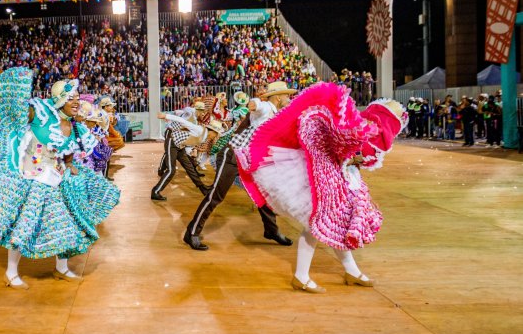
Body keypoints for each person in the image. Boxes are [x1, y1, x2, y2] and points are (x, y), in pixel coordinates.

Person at [0, 68, 120, 290]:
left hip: (56, 180)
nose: (76, 102)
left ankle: (61, 268)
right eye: (71, 98)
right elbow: (15, 114)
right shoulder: (41, 112)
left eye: (77, 98)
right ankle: (11, 272)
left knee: (64, 224)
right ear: (60, 99)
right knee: (24, 225)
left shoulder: (74, 127)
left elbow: (69, 150)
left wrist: (70, 165)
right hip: (31, 179)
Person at [240, 86, 406, 293]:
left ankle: (351, 271)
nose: (287, 97)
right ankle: (301, 276)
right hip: (322, 176)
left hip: (339, 178)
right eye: (283, 94)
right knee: (317, 226)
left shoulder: (358, 128)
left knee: (335, 225)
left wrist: (353, 160)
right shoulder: (267, 107)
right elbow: (334, 147)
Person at [183, 81, 297, 251]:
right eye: (287, 95)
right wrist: (253, 103)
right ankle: (191, 232)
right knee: (216, 196)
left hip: (250, 161)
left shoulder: (276, 114)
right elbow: (257, 104)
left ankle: (271, 230)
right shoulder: (266, 106)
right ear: (278, 97)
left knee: (263, 195)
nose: (289, 98)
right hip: (233, 157)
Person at [151, 102, 213, 201]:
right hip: (172, 138)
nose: (202, 114)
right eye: (201, 111)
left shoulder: (198, 124)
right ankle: (155, 191)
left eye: (203, 111)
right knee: (171, 170)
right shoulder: (192, 115)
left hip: (179, 143)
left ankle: (202, 188)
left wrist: (190, 151)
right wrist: (165, 115)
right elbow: (182, 118)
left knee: (190, 167)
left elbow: (189, 138)